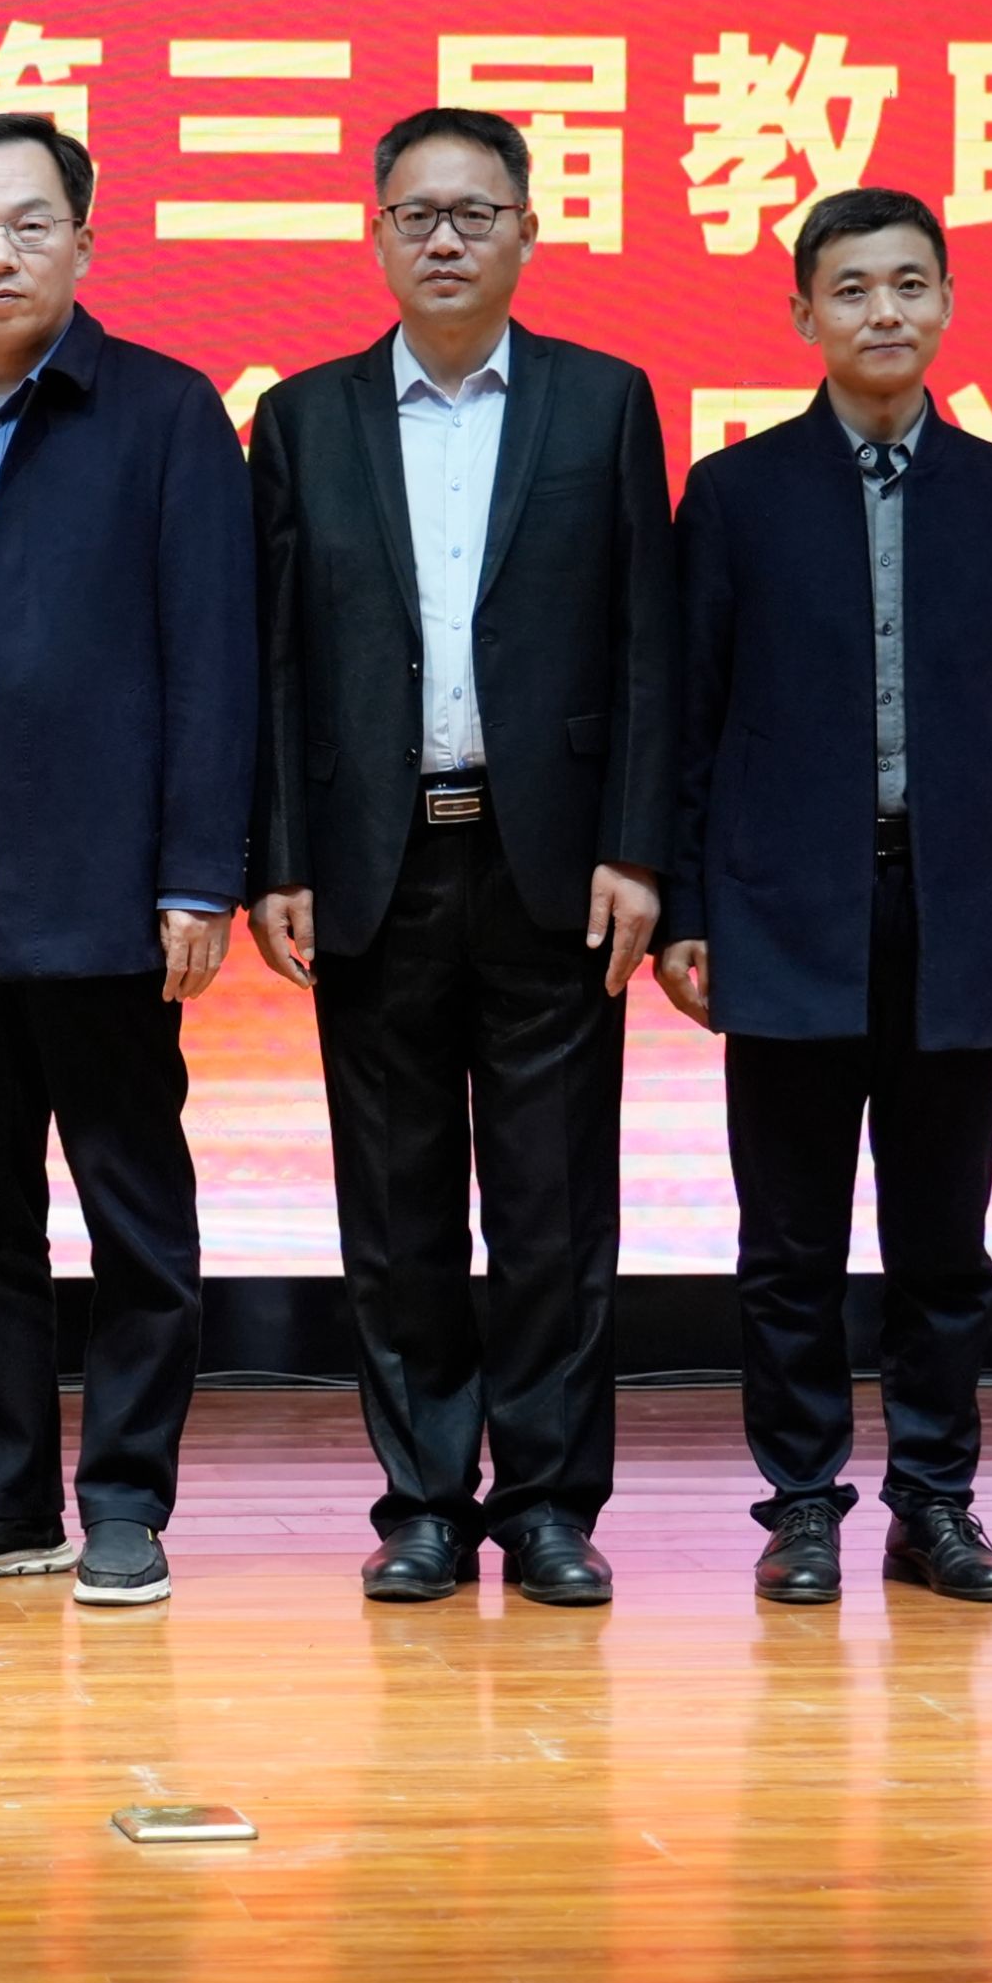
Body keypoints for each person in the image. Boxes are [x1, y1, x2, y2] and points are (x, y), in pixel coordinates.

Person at [245, 105, 678, 1610]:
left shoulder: (603, 402)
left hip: (551, 863)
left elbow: (646, 640)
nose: (444, 238)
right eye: (416, 214)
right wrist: (278, 857)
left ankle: (550, 1501)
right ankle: (426, 1501)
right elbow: (276, 661)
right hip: (374, 862)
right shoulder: (303, 418)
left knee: (555, 1208)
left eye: (474, 213)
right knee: (398, 1210)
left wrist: (639, 846)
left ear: (526, 232)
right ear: (374, 234)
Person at [0, 110, 254, 1611]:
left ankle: (127, 1498)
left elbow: (215, 656)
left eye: (30, 224)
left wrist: (197, 875)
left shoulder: (166, 411)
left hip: (102, 858)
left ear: (86, 239)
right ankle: (8, 1492)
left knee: (132, 1197)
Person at [655, 186, 992, 1606]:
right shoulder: (736, 495)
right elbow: (692, 722)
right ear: (802, 316)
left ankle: (936, 1503)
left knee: (943, 1244)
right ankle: (801, 1505)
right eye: (851, 289)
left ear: (948, 303)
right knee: (788, 1245)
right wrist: (690, 909)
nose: (883, 311)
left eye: (909, 284)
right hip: (785, 913)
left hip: (958, 916)